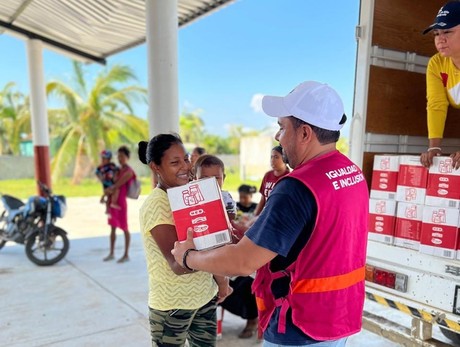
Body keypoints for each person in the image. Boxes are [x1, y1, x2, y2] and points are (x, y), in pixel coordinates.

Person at [172, 81, 369, 347]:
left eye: (281, 127)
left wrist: (188, 257)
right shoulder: (351, 173)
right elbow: (316, 235)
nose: (278, 136)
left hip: (301, 325)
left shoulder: (297, 187)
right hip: (338, 318)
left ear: (305, 133)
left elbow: (243, 262)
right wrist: (250, 234)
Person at [138, 134, 232, 347]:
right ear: (156, 167)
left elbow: (212, 242)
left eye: (186, 159)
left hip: (205, 297)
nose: (185, 167)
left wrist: (220, 280)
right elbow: (178, 265)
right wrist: (208, 257)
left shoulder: (190, 195)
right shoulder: (157, 205)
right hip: (173, 307)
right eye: (174, 162)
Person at [420, 1, 460, 169]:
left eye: (448, 31)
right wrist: (434, 147)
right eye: (436, 33)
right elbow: (436, 105)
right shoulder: (437, 64)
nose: (440, 39)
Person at [103, 145, 135, 263]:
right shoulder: (118, 170)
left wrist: (108, 190)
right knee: (112, 227)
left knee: (124, 227)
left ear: (127, 157)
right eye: (118, 156)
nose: (119, 158)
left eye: (122, 156)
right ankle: (111, 253)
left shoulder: (128, 172)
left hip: (120, 203)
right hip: (113, 201)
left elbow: (116, 185)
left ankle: (126, 254)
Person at [194, 154, 237, 220]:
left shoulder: (225, 197)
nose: (210, 182)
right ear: (195, 179)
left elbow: (232, 216)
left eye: (216, 178)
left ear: (223, 178)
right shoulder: (193, 199)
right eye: (204, 178)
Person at [253, 145, 290, 216]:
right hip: (266, 213)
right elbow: (263, 198)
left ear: (284, 159)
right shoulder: (268, 175)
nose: (273, 160)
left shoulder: (288, 178)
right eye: (271, 157)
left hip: (279, 216)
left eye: (276, 157)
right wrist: (255, 216)